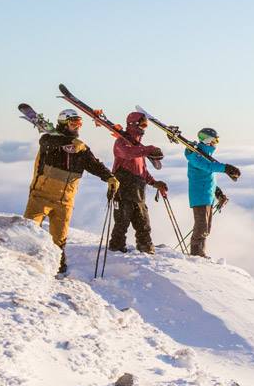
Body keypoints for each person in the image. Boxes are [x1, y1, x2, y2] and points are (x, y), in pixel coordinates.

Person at [24, 109, 118, 274]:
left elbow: (94, 164)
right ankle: (24, 260)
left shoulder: (81, 148)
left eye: (79, 123)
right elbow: (46, 142)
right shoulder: (50, 140)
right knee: (29, 229)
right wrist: (69, 141)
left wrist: (109, 177)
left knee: (59, 238)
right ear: (63, 124)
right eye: (73, 123)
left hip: (65, 200)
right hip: (41, 195)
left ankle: (58, 265)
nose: (77, 126)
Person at [108, 111, 167, 254]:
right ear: (133, 124)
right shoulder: (121, 143)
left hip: (138, 191)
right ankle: (116, 249)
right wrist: (149, 150)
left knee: (143, 224)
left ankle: (146, 247)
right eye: (142, 124)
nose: (144, 127)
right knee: (122, 223)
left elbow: (142, 171)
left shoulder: (138, 147)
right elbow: (128, 153)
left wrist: (154, 183)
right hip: (123, 190)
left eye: (146, 124)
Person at [185, 127, 241, 257]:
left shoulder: (205, 156)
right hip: (200, 197)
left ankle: (200, 253)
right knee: (201, 227)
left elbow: (208, 179)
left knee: (206, 228)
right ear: (208, 140)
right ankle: (196, 255)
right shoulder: (196, 156)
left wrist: (219, 194)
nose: (216, 143)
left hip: (207, 197)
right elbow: (208, 167)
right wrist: (226, 168)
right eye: (215, 140)